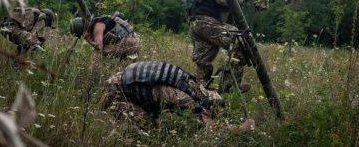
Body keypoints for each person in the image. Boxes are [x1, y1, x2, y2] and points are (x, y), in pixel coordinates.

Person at [189, 0, 267, 93]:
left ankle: (200, 93)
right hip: (208, 22)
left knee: (203, 62)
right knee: (241, 41)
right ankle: (229, 87)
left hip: (197, 23)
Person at [102, 61, 255, 130]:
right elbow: (209, 125)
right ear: (205, 104)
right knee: (148, 128)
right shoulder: (185, 99)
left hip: (124, 77)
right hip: (115, 93)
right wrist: (239, 128)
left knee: (156, 111)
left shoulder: (194, 85)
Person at [70, 11, 140, 58]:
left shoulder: (97, 26)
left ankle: (95, 76)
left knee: (96, 54)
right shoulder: (97, 22)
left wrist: (88, 39)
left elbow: (99, 47)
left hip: (130, 42)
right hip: (132, 40)